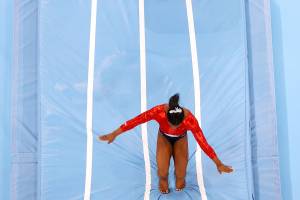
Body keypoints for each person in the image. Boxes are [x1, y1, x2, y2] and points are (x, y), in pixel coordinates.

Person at [98, 93, 233, 194]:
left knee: (181, 176)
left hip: (181, 139)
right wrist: (114, 133)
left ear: (183, 119)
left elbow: (203, 141)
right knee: (162, 172)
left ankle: (179, 179)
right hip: (164, 138)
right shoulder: (158, 112)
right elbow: (136, 121)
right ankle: (163, 181)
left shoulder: (189, 119)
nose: (174, 127)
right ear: (166, 116)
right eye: (171, 124)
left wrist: (218, 163)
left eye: (177, 125)